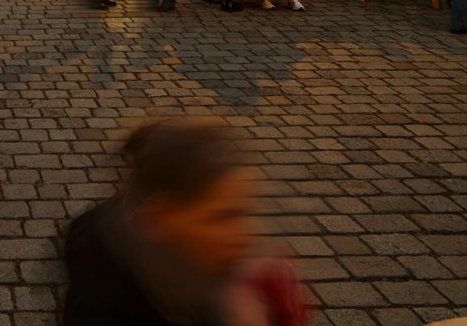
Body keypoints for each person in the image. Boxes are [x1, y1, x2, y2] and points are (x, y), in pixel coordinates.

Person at [64, 118, 309, 326]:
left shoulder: (220, 267)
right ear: (158, 217)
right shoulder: (103, 299)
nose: (245, 235)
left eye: (243, 213)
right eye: (221, 217)